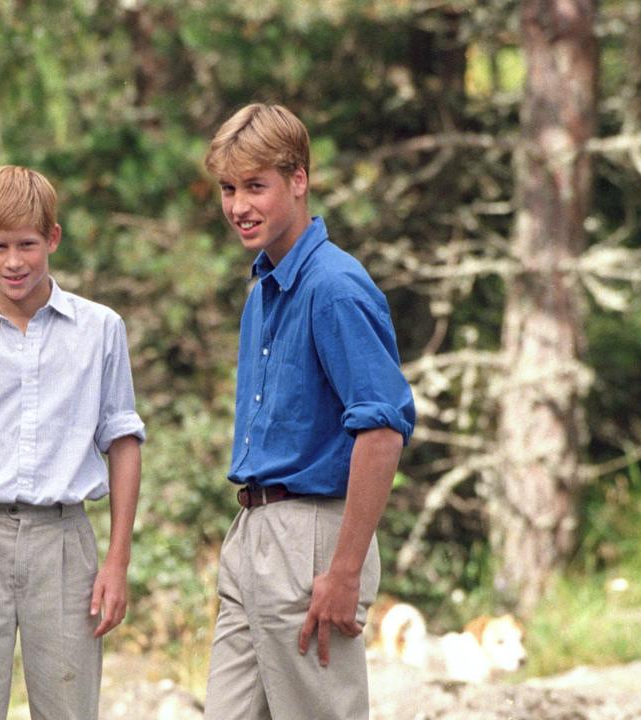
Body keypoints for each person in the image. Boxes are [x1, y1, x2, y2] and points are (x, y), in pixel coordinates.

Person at [201, 103, 416, 719]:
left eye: (256, 186)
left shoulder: (334, 286)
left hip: (314, 537)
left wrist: (344, 570)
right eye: (228, 188)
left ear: (299, 180)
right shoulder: (264, 290)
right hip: (252, 533)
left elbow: (382, 430)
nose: (239, 205)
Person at [0, 166, 145, 720]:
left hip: (63, 542)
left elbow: (123, 441)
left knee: (69, 706)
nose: (14, 261)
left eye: (27, 245)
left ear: (53, 240)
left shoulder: (100, 329)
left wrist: (117, 560)